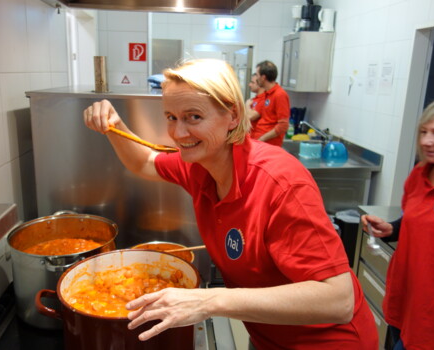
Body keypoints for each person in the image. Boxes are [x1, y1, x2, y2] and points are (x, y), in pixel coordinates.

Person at [83, 58, 377, 350]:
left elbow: (339, 299)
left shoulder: (281, 183)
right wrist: (113, 124)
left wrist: (209, 301)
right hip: (269, 335)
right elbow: (144, 162)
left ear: (233, 116)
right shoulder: (200, 166)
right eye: (171, 117)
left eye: (193, 117)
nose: (178, 133)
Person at [361, 96, 434, 350]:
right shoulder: (419, 174)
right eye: (423, 132)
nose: (426, 141)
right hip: (405, 301)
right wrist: (392, 229)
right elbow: (415, 220)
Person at [250, 60, 290, 146]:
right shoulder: (266, 94)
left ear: (263, 77)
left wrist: (262, 139)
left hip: (268, 145)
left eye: (257, 75)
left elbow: (283, 125)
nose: (256, 79)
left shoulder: (279, 95)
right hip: (259, 143)